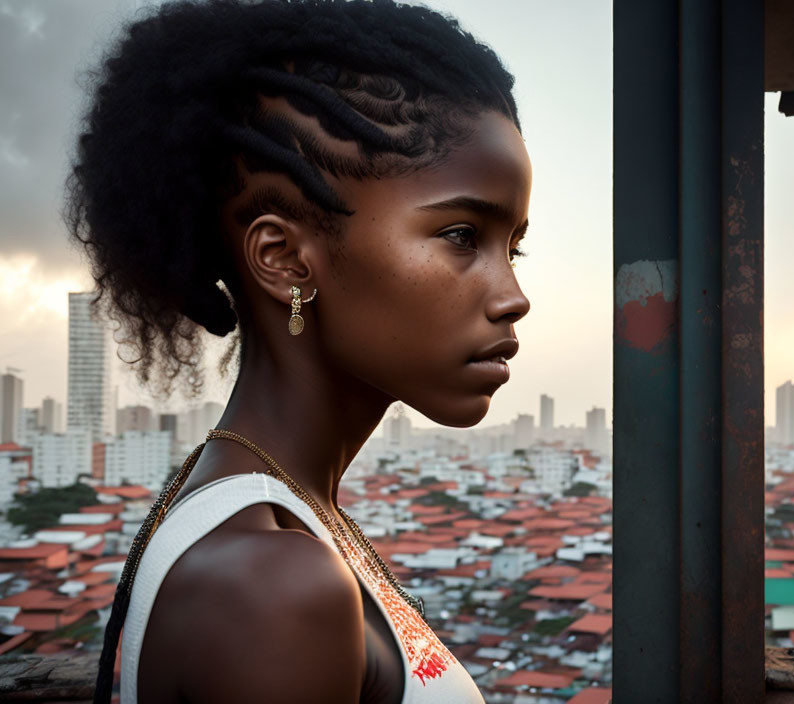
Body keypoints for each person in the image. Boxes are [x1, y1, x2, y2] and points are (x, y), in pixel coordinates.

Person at [67, 1, 531, 701]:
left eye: (514, 246)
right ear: (283, 258)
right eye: (463, 235)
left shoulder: (278, 518)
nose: (513, 295)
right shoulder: (272, 586)